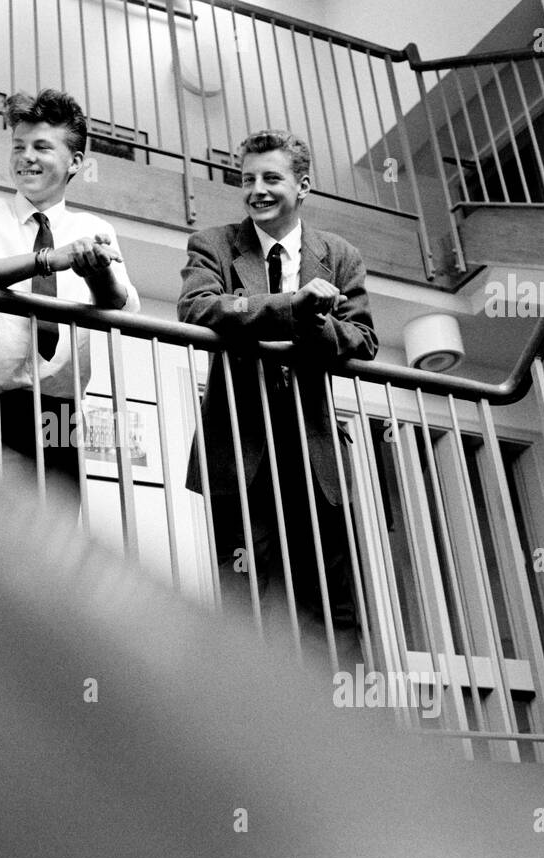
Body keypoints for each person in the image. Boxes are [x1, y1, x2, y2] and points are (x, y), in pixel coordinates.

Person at [179, 129, 378, 645]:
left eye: (271, 177)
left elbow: (363, 340)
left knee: (333, 607)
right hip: (239, 452)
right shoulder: (214, 244)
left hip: (314, 454)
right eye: (247, 179)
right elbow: (199, 308)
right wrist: (291, 306)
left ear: (303, 185)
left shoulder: (340, 255)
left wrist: (314, 324)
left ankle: (341, 719)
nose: (257, 190)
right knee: (244, 604)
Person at [0, 89, 140, 498]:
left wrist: (95, 270)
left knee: (55, 541)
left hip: (58, 415)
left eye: (42, 147)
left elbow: (120, 306)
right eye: (18, 146)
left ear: (75, 161)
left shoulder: (93, 229)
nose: (26, 157)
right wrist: (46, 260)